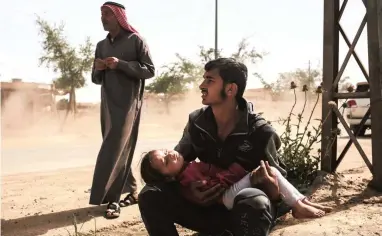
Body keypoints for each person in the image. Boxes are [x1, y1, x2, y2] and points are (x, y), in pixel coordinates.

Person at [138, 58, 301, 236]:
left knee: (255, 201)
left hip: (242, 212)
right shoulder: (197, 122)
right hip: (206, 211)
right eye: (203, 79)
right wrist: (186, 191)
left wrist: (275, 195)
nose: (201, 85)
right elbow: (171, 170)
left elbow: (281, 191)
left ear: (230, 89)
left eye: (210, 80)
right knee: (150, 195)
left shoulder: (261, 132)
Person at [89, 1, 155, 219]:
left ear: (118, 17)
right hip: (108, 104)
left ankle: (114, 200)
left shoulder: (136, 40)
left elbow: (149, 71)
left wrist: (121, 64)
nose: (102, 18)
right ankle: (132, 190)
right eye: (101, 14)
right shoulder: (101, 45)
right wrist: (98, 69)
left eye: (107, 14)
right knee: (118, 149)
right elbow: (95, 79)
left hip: (128, 104)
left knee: (113, 148)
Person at [140, 149, 332, 218]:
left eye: (165, 152)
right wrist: (236, 171)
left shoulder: (189, 165)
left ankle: (301, 202)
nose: (170, 155)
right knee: (269, 171)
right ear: (167, 178)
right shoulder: (187, 178)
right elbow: (214, 184)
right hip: (226, 197)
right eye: (166, 162)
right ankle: (298, 205)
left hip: (229, 193)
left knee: (268, 173)